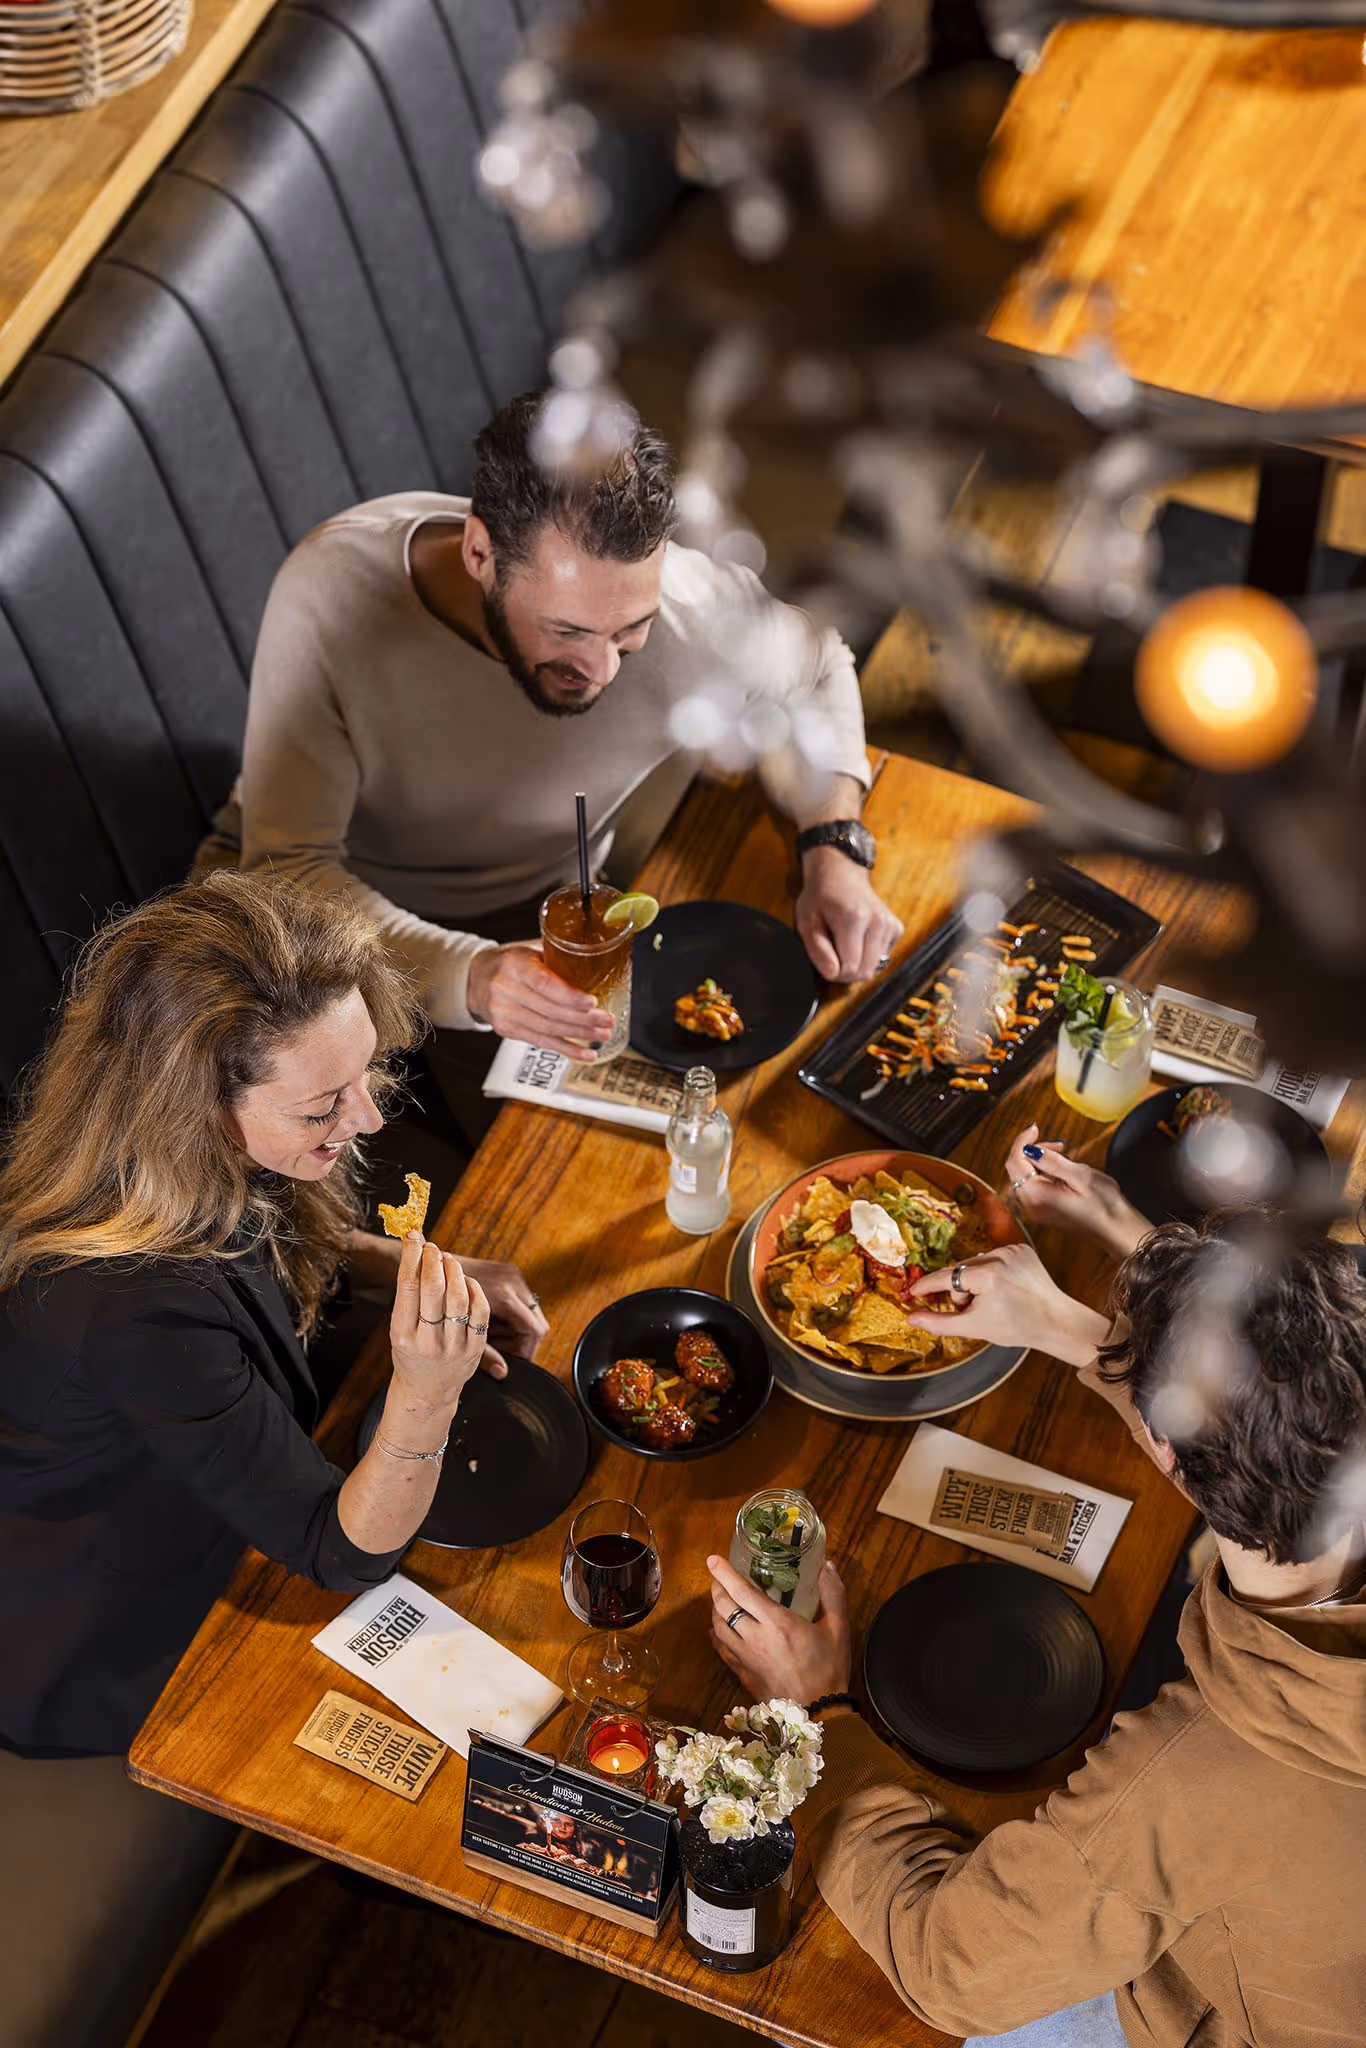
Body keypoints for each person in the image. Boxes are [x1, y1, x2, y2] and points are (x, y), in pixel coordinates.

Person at [706, 1136, 1366, 2048]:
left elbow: (951, 1970)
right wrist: (1079, 1303)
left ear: (1164, 1448)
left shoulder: (1181, 1787)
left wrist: (817, 1713)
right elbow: (1293, 1416)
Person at [201, 392, 902, 1142]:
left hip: (553, 920)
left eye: (630, 630)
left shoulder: (688, 605)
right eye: (566, 630)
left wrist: (834, 847)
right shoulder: (334, 598)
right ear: (480, 554)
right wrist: (470, 977)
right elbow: (284, 874)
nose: (601, 670)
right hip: (319, 927)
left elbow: (821, 666)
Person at [0, 872, 547, 1758]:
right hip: (120, 1612)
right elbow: (341, 1553)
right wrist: (426, 1393)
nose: (365, 1116)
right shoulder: (133, 1309)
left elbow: (267, 1248)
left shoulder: (194, 1160)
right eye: (322, 1105)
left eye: (365, 1071)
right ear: (197, 1113)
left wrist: (401, 1264)